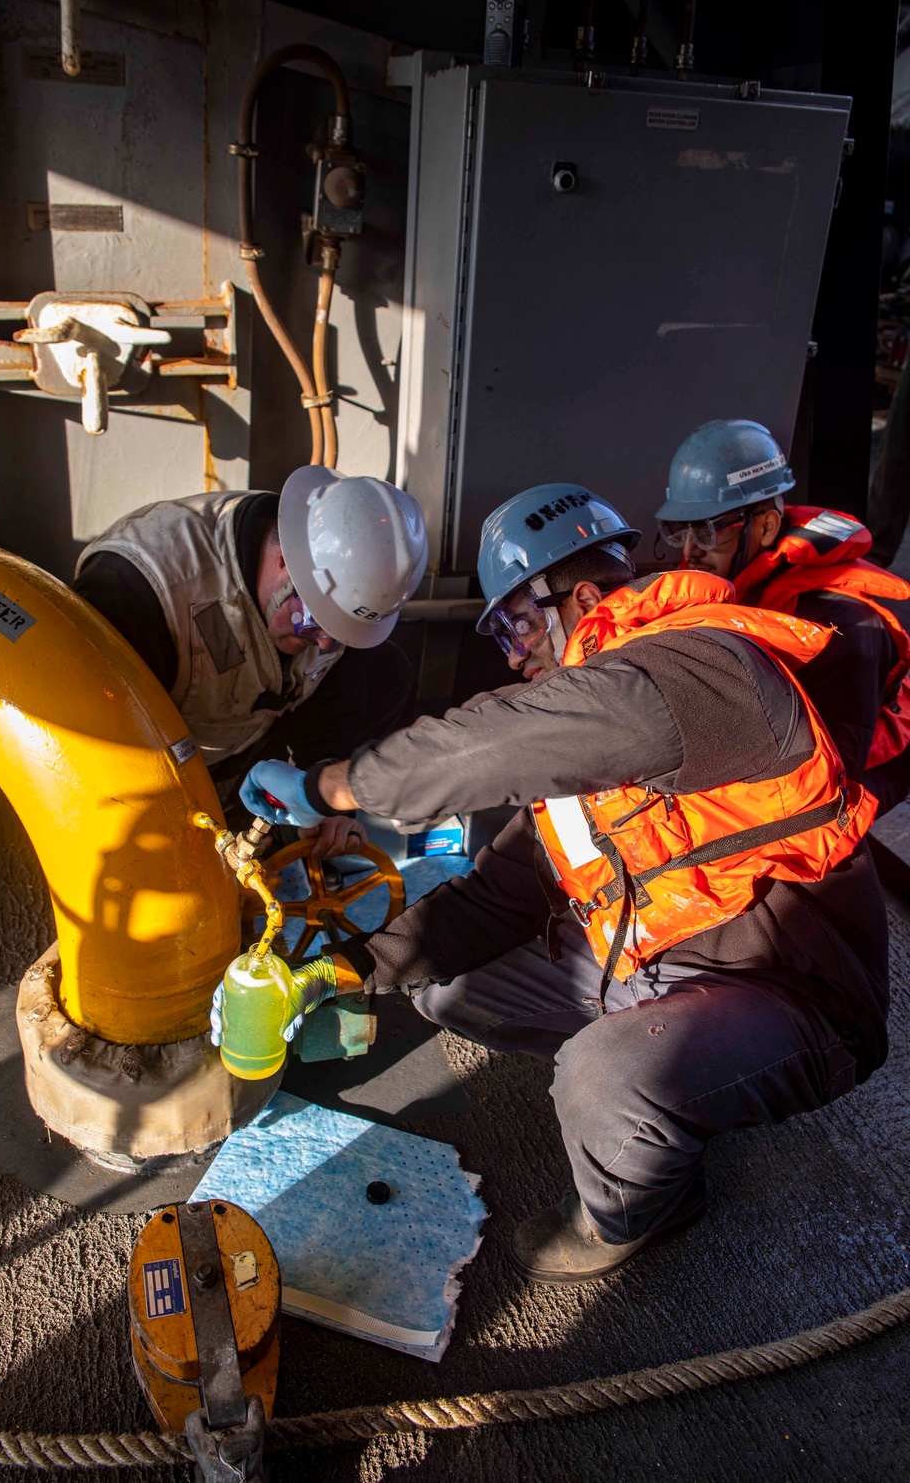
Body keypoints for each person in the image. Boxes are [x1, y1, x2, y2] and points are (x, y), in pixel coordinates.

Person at [223, 483, 886, 1286]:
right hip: (659, 962)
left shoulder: (703, 667)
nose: (511, 653)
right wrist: (339, 973)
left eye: (516, 623)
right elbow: (496, 897)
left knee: (607, 1076)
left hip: (789, 995)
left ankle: (646, 1206)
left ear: (579, 598)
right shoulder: (597, 736)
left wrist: (332, 785)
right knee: (447, 977)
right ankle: (663, 1085)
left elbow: (495, 744)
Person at [75, 466, 428, 857]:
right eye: (317, 621)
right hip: (163, 760)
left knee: (387, 671)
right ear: (285, 564)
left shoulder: (329, 592)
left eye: (341, 630)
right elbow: (94, 752)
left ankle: (293, 828)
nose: (326, 641)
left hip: (252, 731)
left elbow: (334, 693)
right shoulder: (141, 592)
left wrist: (325, 788)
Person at [655, 419, 910, 816]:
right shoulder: (731, 577)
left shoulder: (845, 628)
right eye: (679, 530)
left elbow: (833, 795)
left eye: (707, 530)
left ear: (768, 526)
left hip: (864, 766)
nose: (690, 549)